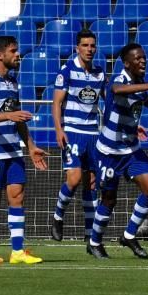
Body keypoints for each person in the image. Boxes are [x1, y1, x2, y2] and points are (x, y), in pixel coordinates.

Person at [89, 43, 148, 260]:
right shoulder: (119, 80)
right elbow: (117, 90)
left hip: (131, 150)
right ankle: (94, 242)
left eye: (144, 58)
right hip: (109, 151)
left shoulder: (138, 83)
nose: (143, 61)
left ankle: (129, 235)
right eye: (138, 59)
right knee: (109, 199)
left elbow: (146, 99)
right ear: (127, 63)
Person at [0, 36, 49, 265]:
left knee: (17, 197)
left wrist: (31, 146)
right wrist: (9, 115)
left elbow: (18, 118)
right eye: (13, 51)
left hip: (13, 150)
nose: (18, 55)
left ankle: (17, 251)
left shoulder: (12, 82)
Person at [50, 28, 106, 243]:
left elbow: (108, 102)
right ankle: (57, 216)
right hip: (72, 131)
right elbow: (57, 103)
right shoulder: (66, 71)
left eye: (92, 45)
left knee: (91, 182)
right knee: (73, 179)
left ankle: (89, 233)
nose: (89, 49)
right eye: (85, 45)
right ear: (77, 48)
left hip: (93, 132)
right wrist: (59, 129)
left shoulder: (99, 73)